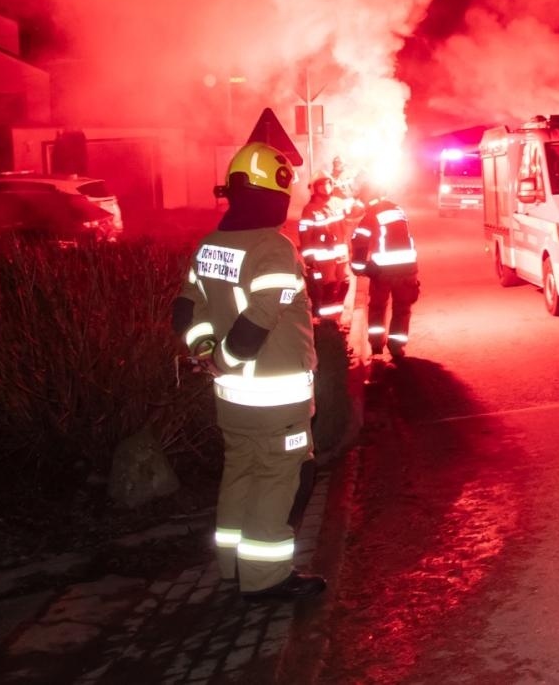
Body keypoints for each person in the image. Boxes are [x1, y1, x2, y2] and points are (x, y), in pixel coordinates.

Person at [171, 141, 326, 601]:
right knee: (279, 480)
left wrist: (205, 352)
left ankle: (232, 566)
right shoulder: (274, 250)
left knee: (239, 472)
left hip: (230, 399)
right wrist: (224, 358)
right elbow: (260, 317)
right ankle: (265, 578)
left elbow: (185, 308)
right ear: (274, 193)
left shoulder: (211, 244)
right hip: (275, 400)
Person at [349, 181, 420, 361]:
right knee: (402, 309)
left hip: (383, 272)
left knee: (378, 309)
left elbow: (360, 244)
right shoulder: (398, 210)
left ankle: (376, 347)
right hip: (407, 269)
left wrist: (359, 268)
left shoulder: (370, 215)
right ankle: (397, 347)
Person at [297, 174, 349, 329]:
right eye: (322, 184)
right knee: (327, 290)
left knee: (343, 285)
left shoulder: (338, 203)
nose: (326, 186)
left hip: (341, 257)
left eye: (328, 183)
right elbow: (305, 235)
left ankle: (336, 320)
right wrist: (309, 259)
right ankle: (327, 324)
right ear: (315, 188)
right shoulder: (310, 209)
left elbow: (353, 217)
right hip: (323, 259)